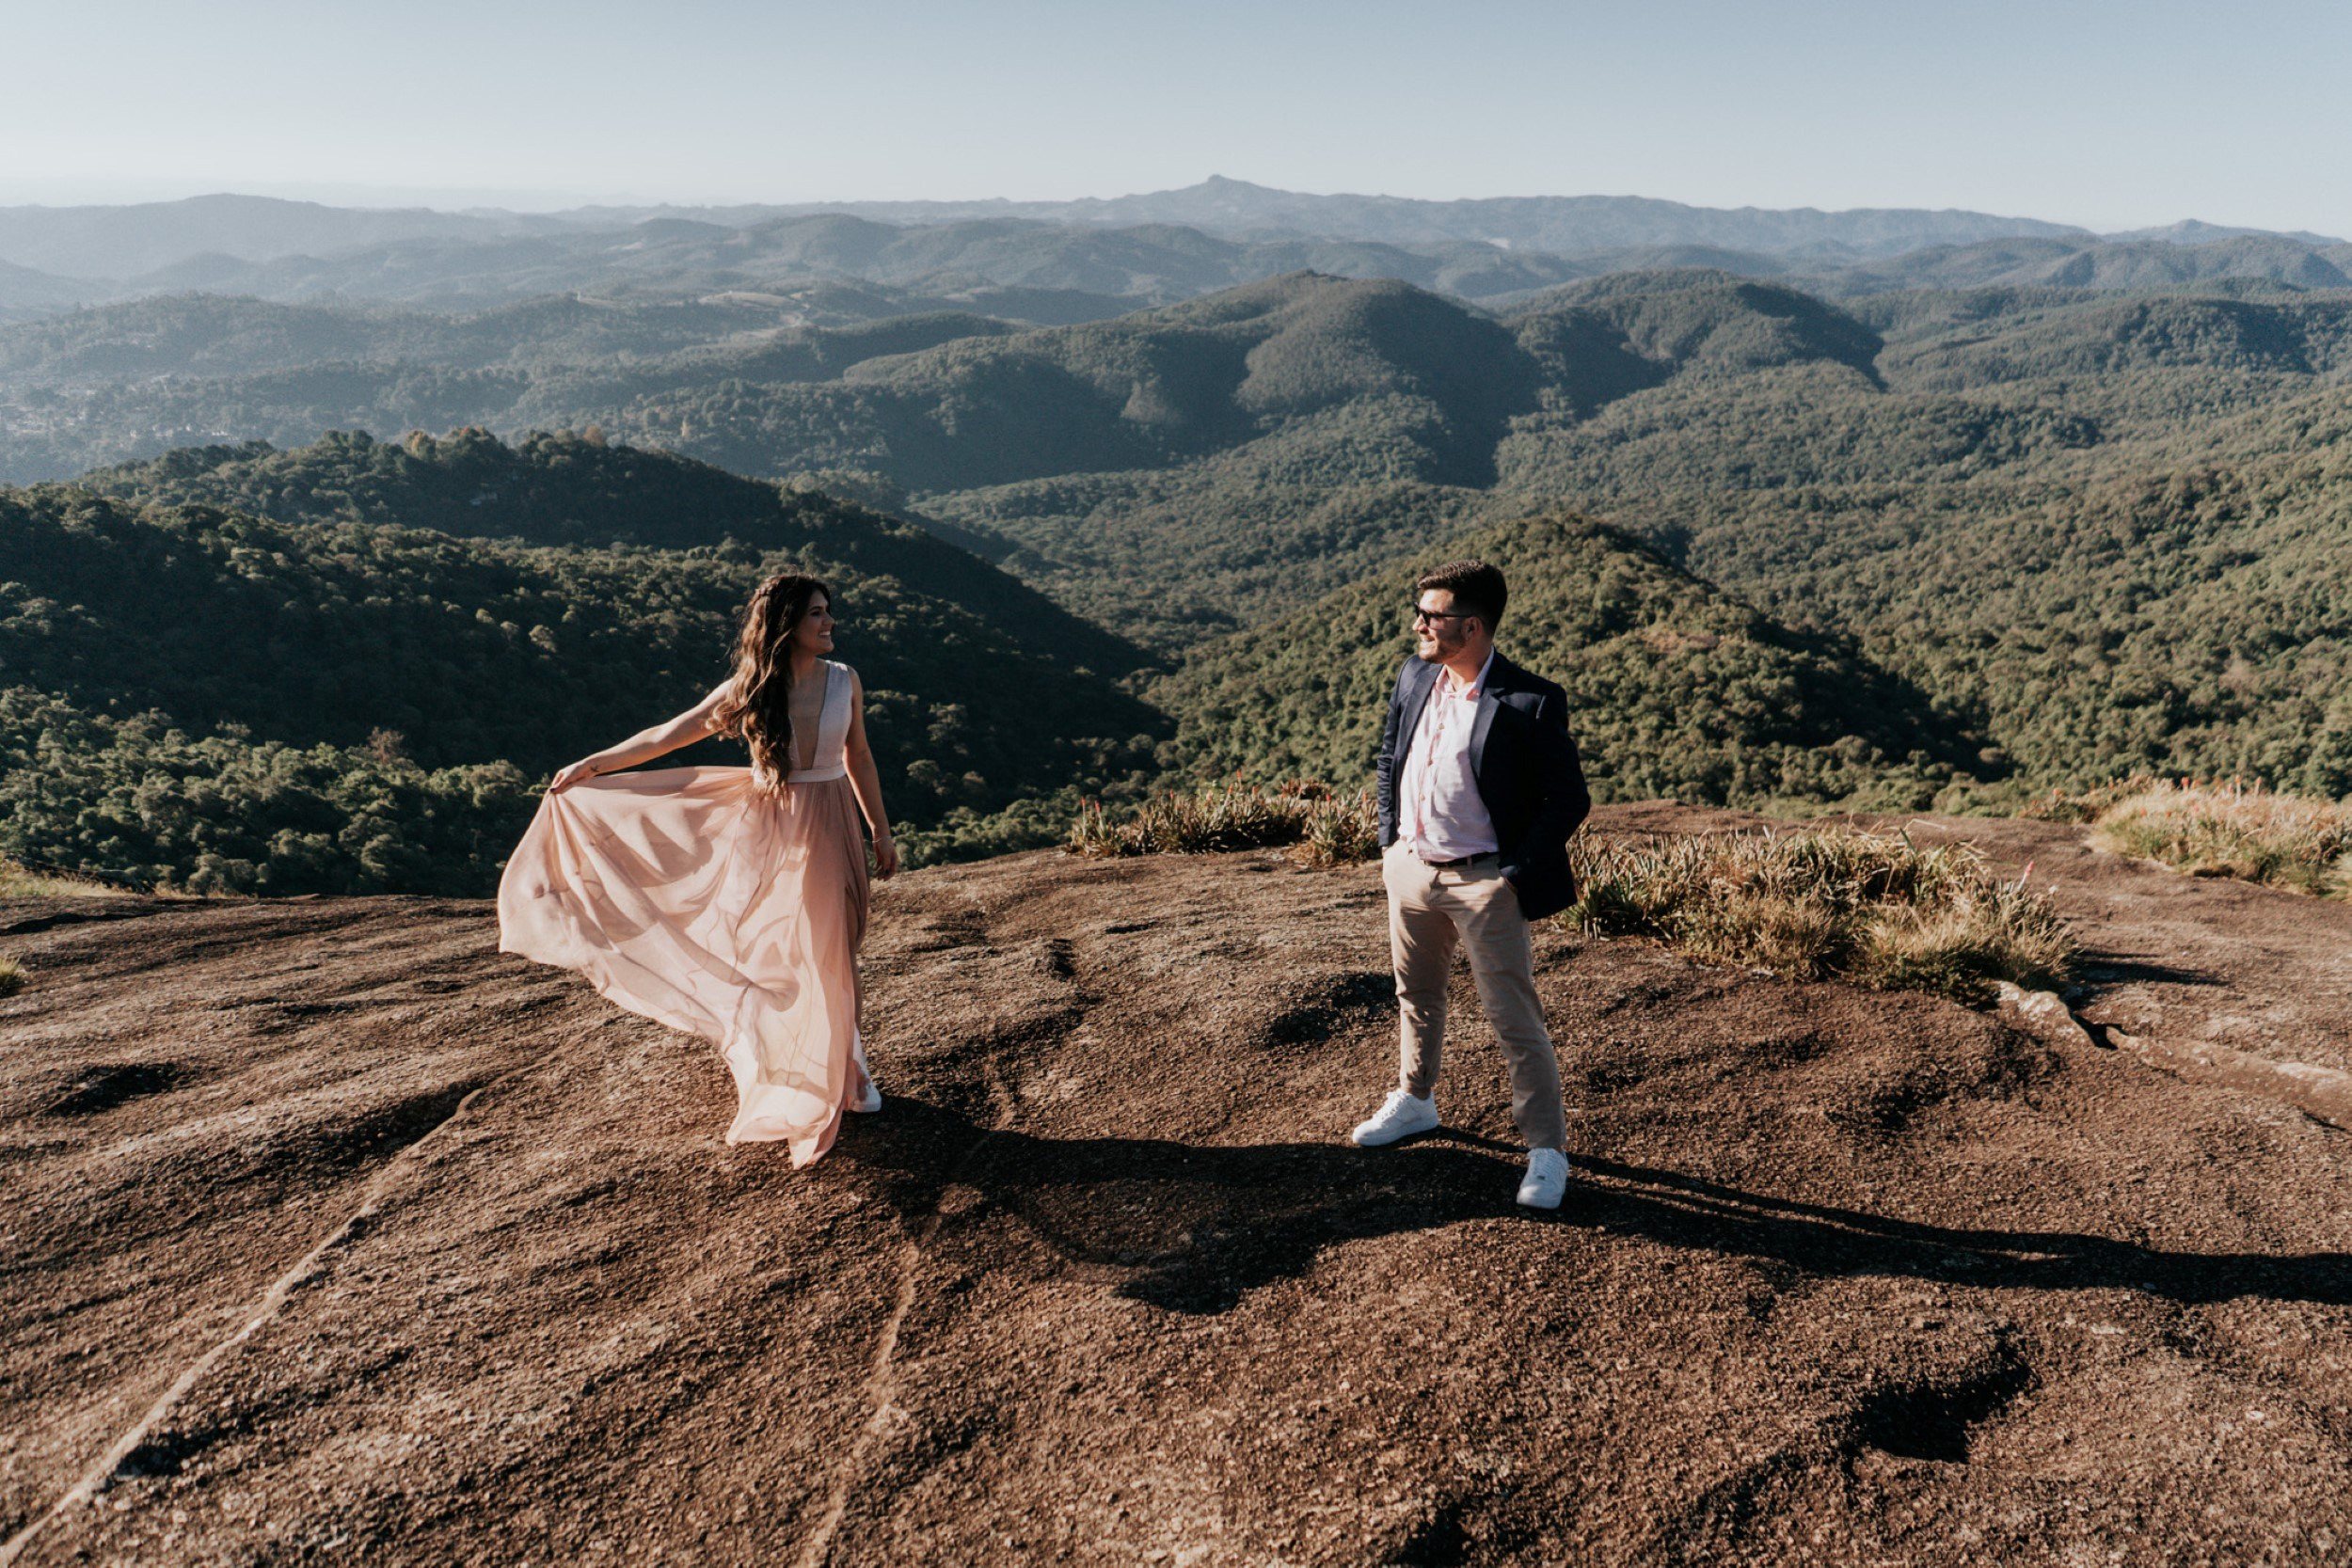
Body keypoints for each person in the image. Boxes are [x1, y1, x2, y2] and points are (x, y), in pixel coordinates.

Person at [497, 573, 898, 1166]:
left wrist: (881, 829)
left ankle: (840, 1059)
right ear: (787, 625)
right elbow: (670, 735)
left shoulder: (846, 681)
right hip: (781, 825)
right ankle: (846, 1073)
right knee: (811, 949)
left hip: (835, 816)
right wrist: (593, 764)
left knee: (841, 940)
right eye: (817, 614)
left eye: (827, 612)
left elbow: (857, 754)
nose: (830, 623)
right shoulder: (750, 688)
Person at [1351, 559, 1591, 1210]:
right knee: (1416, 993)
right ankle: (1416, 1100)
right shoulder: (1414, 675)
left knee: (1515, 1018)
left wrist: (1511, 877)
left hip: (1485, 878)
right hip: (1410, 868)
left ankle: (1546, 1149)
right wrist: (1388, 841)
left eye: (1432, 616)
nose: (1418, 624)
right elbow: (1388, 756)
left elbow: (1568, 799)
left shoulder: (1529, 699)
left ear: (1474, 625)